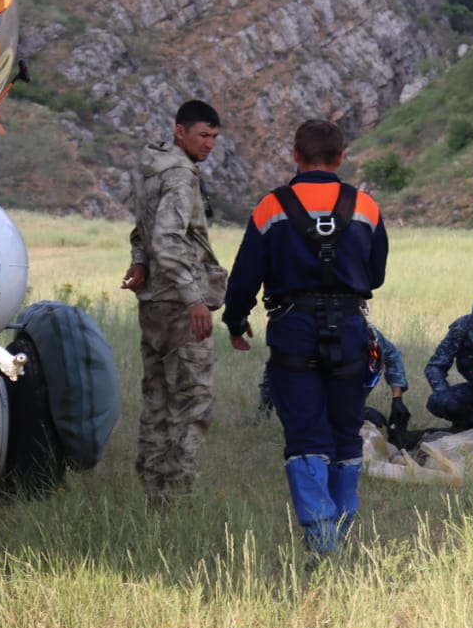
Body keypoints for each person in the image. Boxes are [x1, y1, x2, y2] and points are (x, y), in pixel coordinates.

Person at [223, 119, 388, 556]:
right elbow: (376, 274)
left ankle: (322, 538)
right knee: (347, 434)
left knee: (306, 437)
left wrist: (237, 323)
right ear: (340, 158)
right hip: (351, 331)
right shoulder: (365, 207)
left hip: (293, 331)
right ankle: (344, 528)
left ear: (295, 154)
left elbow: (243, 279)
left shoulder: (270, 208)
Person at [122, 100, 228, 509]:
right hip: (180, 304)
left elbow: (141, 231)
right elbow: (166, 238)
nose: (210, 144)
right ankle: (179, 492)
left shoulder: (153, 170)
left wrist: (138, 262)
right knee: (193, 398)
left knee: (158, 397)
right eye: (203, 135)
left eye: (215, 137)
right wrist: (194, 299)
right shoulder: (181, 176)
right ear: (179, 132)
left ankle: (152, 487)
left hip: (154, 302)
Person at [257, 323, 411, 441]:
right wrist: (265, 408)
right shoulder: (314, 343)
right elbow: (279, 367)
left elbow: (393, 356)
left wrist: (397, 399)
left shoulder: (370, 338)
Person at [423, 295, 473, 431]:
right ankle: (469, 426)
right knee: (439, 401)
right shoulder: (461, 327)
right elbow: (435, 367)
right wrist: (444, 393)